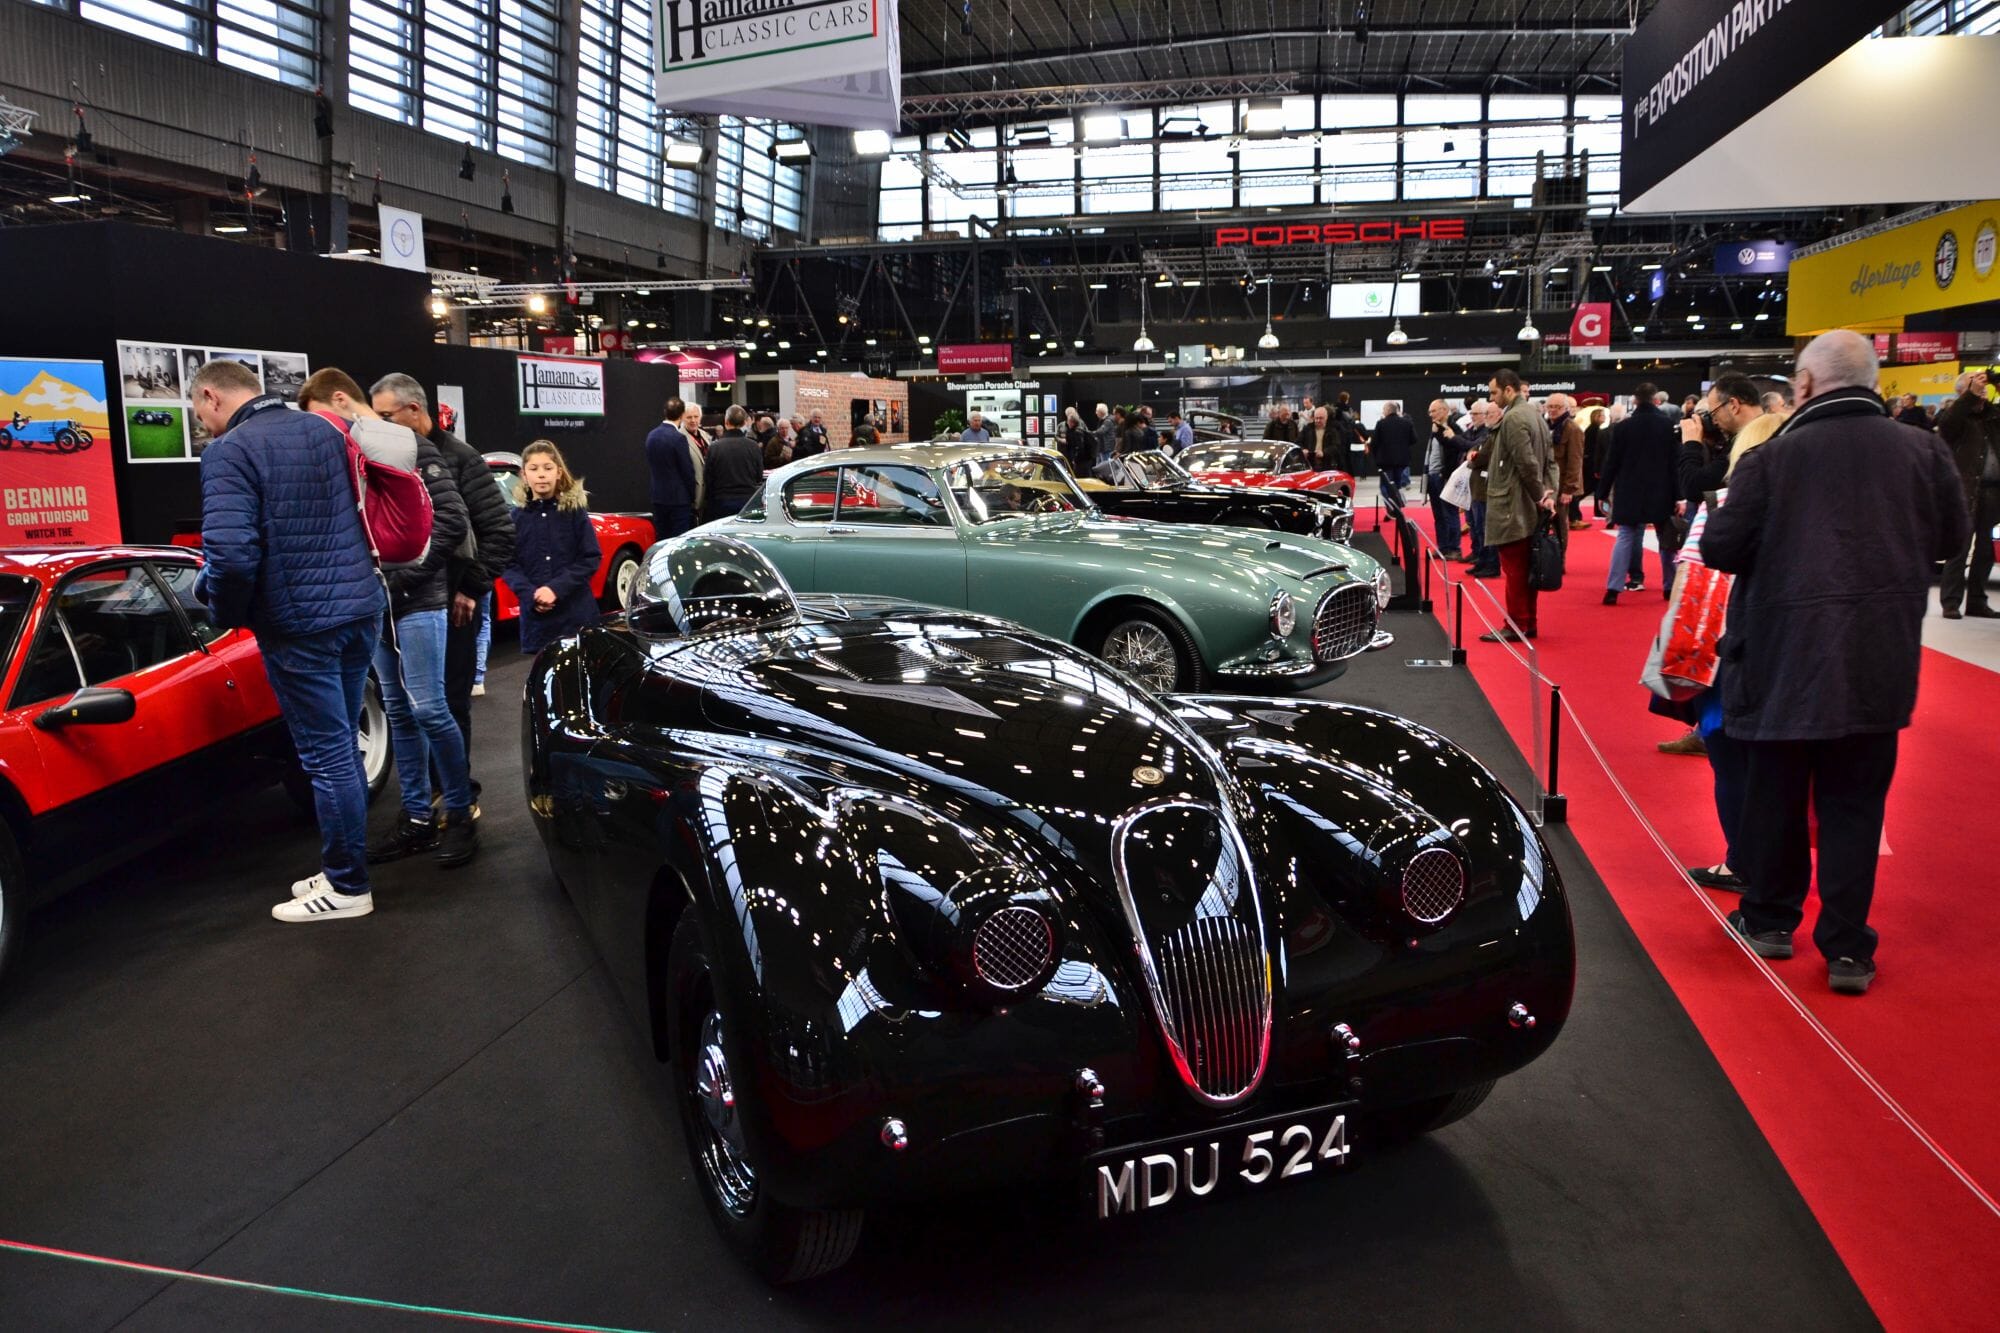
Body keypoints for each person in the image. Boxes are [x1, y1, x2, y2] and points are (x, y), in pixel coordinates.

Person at [1702, 331, 1968, 995]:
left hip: (1780, 657)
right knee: (1856, 806)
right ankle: (1849, 948)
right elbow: (1953, 539)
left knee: (1777, 797)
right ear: (1874, 381)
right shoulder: (1923, 450)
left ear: (1805, 385)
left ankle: (1768, 918)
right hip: (1877, 658)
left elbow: (1723, 548)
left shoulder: (1773, 457)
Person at [195, 361, 387, 923]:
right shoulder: (326, 430)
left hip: (301, 626)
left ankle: (350, 887)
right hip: (359, 610)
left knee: (327, 758)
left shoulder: (228, 451)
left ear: (210, 396)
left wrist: (224, 615)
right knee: (342, 749)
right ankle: (341, 867)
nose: (201, 421)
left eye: (197, 409)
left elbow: (230, 557)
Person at [304, 370, 477, 871]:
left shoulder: (404, 445)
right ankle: (418, 817)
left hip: (418, 601)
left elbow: (451, 521)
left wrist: (400, 580)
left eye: (322, 417)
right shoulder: (347, 453)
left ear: (339, 399)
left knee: (429, 709)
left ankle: (460, 813)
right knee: (400, 712)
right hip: (380, 603)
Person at [370, 373, 513, 818]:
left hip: (452, 605)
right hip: (400, 604)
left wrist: (471, 589)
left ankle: (457, 797)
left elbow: (499, 534)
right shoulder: (385, 458)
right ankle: (428, 800)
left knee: (447, 704)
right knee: (407, 708)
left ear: (415, 410)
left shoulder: (461, 459)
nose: (379, 425)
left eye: (386, 416)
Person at [501, 440, 602, 656]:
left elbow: (590, 557)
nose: (541, 474)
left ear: (558, 472)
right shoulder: (515, 518)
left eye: (548, 468)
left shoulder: (574, 513)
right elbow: (508, 564)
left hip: (576, 616)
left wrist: (555, 588)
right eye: (534, 469)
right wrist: (531, 596)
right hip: (538, 621)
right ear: (524, 475)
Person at [1477, 372, 1557, 642]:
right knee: (1525, 568)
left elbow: (1527, 464)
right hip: (1526, 504)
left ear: (1508, 390)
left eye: (1494, 393)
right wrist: (1548, 493)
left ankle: (1516, 625)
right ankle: (1527, 622)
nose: (1492, 398)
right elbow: (1549, 463)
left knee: (1516, 570)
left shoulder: (1513, 418)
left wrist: (1540, 496)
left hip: (1514, 505)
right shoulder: (1535, 415)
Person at [1597, 382, 1682, 603]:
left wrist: (1602, 493)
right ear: (1656, 400)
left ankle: (1613, 589)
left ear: (1635, 401)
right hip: (1662, 490)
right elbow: (1675, 464)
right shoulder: (1667, 426)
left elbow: (1611, 464)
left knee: (1625, 536)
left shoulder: (1623, 428)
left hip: (1629, 490)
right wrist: (1679, 495)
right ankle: (1669, 587)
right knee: (1667, 539)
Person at [1937, 368, 1999, 619]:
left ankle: (1977, 601)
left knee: (1985, 550)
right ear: (1963, 392)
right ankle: (1951, 602)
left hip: (1993, 492)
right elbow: (1948, 424)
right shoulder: (1955, 418)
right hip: (1964, 491)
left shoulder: (1992, 417)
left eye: (1983, 390)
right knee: (1959, 548)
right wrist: (1970, 395)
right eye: (1975, 389)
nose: (1981, 394)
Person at [645, 396, 696, 539]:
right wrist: (692, 496)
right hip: (679, 500)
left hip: (658, 497)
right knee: (678, 541)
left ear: (665, 412)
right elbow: (687, 471)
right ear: (681, 415)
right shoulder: (678, 438)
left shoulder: (651, 436)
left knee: (661, 538)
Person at [705, 406, 765, 519]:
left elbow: (708, 478)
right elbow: (759, 476)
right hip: (748, 501)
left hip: (721, 502)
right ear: (744, 423)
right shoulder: (753, 446)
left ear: (726, 422)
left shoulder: (714, 447)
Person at [1424, 399, 1467, 558]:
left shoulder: (1453, 428)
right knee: (1439, 515)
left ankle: (1454, 548)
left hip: (1446, 477)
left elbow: (1455, 449)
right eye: (1430, 411)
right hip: (1434, 476)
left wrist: (1446, 474)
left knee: (1450, 513)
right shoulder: (1436, 428)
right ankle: (1443, 547)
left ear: (1444, 410)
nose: (1431, 414)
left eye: (1434, 411)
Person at [1462, 399, 1500, 574]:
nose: (1485, 417)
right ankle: (1482, 560)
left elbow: (1482, 456)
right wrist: (1473, 456)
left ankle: (1491, 563)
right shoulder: (1488, 434)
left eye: (1488, 414)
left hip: (1486, 488)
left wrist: (1473, 457)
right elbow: (1472, 452)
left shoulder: (1494, 435)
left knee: (1486, 528)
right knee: (1478, 526)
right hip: (1478, 487)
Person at [1544, 394, 1587, 533]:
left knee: (1560, 525)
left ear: (1566, 408)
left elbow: (1575, 461)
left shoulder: (1573, 430)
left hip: (1562, 485)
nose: (1553, 410)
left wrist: (1568, 489)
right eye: (1550, 406)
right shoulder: (1545, 427)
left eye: (1558, 407)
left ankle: (1560, 553)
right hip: (1547, 484)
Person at [1368, 401, 1416, 511]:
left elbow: (1374, 442)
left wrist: (1376, 457)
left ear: (1388, 410)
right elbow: (1414, 439)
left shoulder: (1381, 423)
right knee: (1397, 485)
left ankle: (1391, 508)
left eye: (1384, 410)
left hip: (1385, 461)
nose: (1383, 412)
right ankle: (1397, 506)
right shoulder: (1406, 423)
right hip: (1401, 460)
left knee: (1385, 485)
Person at [1061, 406, 1096, 475]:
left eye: (1068, 421)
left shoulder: (1077, 432)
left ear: (1072, 422)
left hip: (1082, 461)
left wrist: (1075, 459)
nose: (1067, 423)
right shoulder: (1075, 431)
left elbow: (1080, 448)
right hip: (1084, 460)